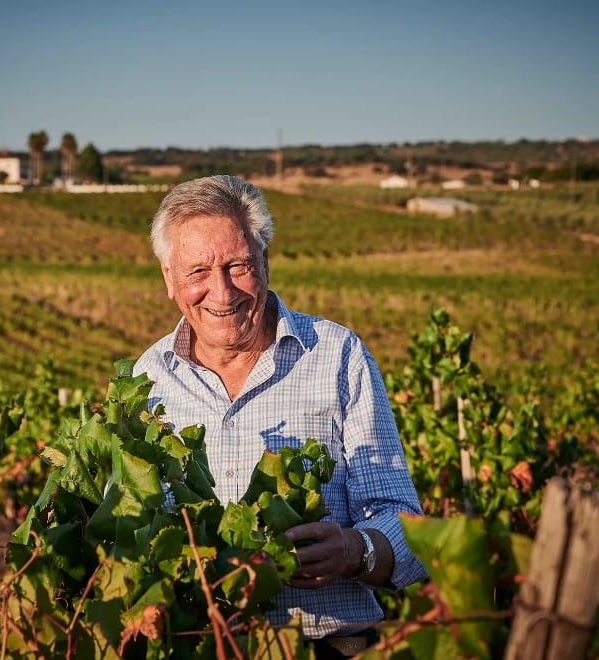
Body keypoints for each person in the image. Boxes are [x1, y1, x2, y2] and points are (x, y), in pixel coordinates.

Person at [132, 175, 426, 656]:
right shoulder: (148, 379)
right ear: (169, 279)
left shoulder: (337, 356)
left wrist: (356, 551)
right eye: (198, 272)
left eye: (238, 266)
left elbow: (405, 524)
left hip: (329, 647)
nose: (222, 293)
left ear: (266, 261)